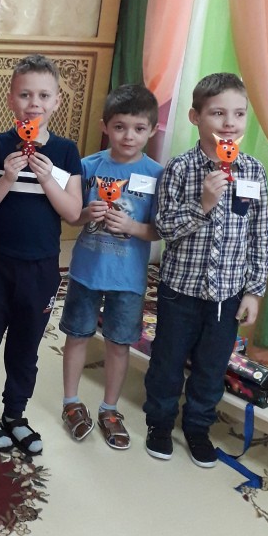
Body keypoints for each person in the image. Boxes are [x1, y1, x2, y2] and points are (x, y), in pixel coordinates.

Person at [144, 72, 268, 467]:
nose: (230, 123)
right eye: (218, 113)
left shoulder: (253, 172)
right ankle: (159, 422)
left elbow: (260, 236)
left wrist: (254, 292)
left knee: (211, 367)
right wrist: (203, 204)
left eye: (239, 114)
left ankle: (198, 426)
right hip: (180, 291)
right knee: (167, 361)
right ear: (195, 117)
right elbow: (164, 228)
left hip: (227, 295)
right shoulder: (180, 169)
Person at [0, 54, 83, 455]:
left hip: (42, 267)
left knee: (26, 345)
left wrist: (47, 179)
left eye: (44, 96)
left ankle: (15, 413)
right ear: (11, 99)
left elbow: (73, 212)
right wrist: (8, 177)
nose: (34, 103)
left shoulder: (65, 152)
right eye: (25, 94)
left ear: (56, 102)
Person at [60, 84, 162, 450]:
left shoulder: (157, 174)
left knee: (120, 344)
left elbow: (158, 230)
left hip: (129, 279)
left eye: (139, 128)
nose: (128, 136)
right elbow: (71, 216)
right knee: (77, 335)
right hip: (86, 272)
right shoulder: (87, 166)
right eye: (120, 127)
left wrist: (131, 226)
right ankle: (71, 402)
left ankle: (110, 408)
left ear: (152, 130)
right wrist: (86, 213)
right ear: (105, 126)